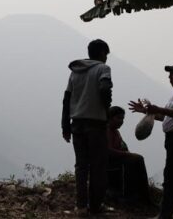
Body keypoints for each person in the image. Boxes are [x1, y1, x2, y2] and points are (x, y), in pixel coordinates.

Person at [128, 63, 173, 219]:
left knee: (171, 175)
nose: (169, 77)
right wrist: (148, 111)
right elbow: (167, 117)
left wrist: (158, 109)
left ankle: (165, 214)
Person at [62, 39, 113, 215]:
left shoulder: (75, 71)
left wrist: (65, 126)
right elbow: (105, 89)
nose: (106, 57)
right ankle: (96, 205)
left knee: (81, 166)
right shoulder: (103, 69)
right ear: (101, 53)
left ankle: (81, 206)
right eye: (106, 53)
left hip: (77, 124)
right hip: (96, 123)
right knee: (98, 166)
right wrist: (106, 109)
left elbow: (67, 99)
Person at [107, 106, 152, 207]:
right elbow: (108, 151)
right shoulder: (107, 131)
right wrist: (128, 155)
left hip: (118, 159)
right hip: (109, 164)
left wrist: (129, 155)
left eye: (122, 119)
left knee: (138, 159)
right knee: (132, 161)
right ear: (110, 118)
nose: (121, 121)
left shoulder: (116, 132)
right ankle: (126, 196)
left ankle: (143, 196)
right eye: (118, 118)